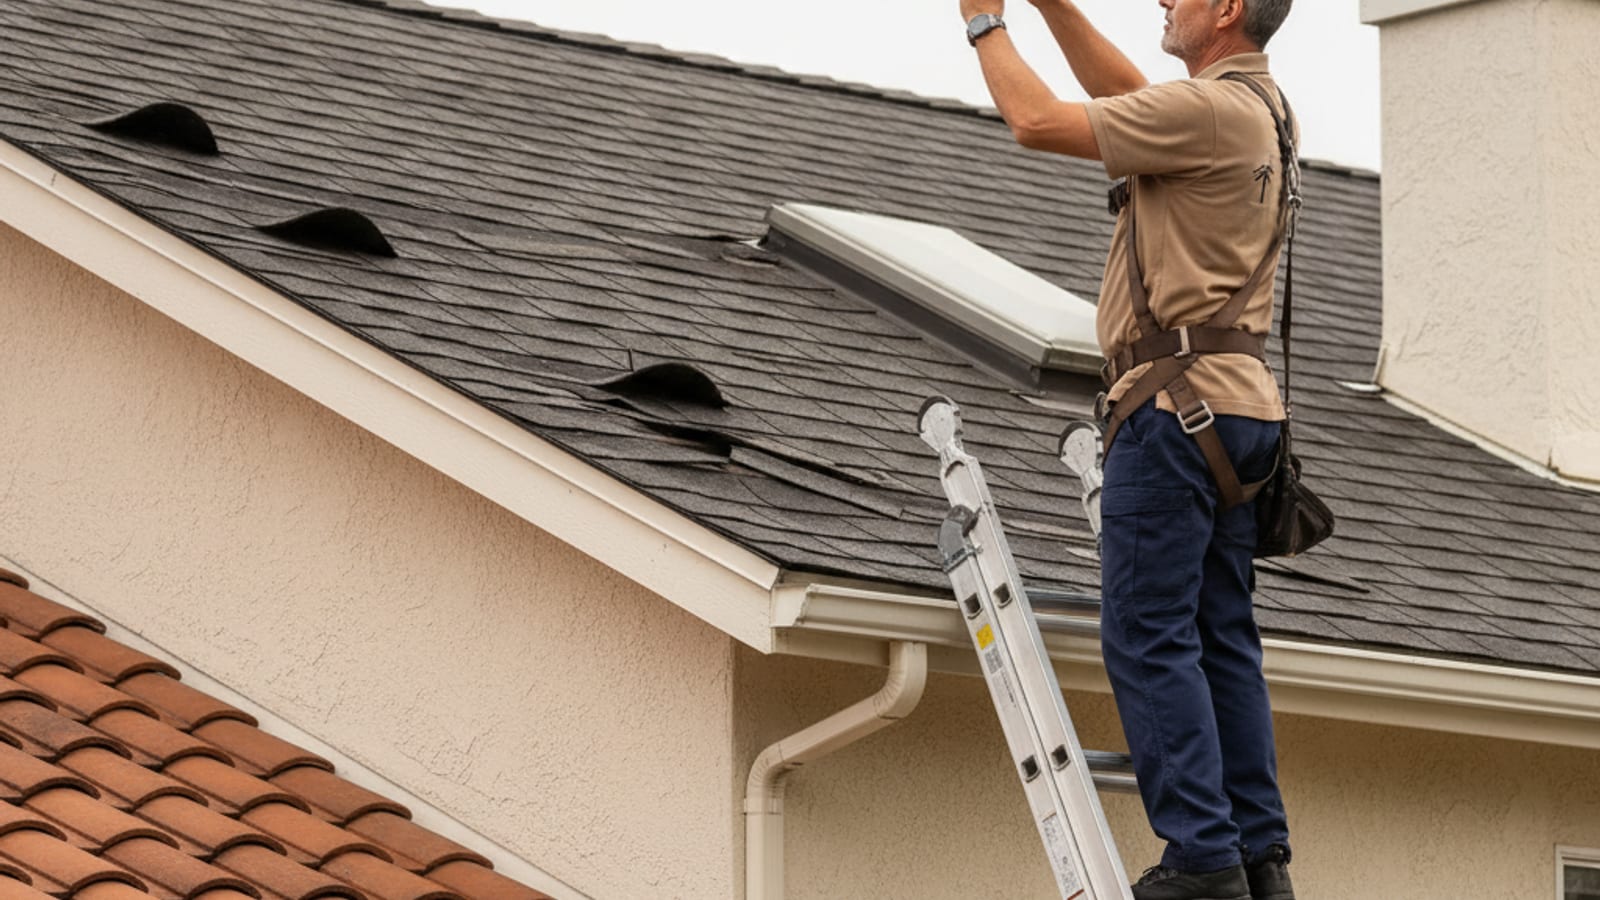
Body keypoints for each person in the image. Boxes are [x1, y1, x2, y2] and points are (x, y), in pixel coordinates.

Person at [957, 2, 1298, 899]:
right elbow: (1129, 95)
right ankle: (1258, 859)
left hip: (1172, 411)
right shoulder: (1257, 109)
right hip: (1239, 411)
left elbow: (1035, 122)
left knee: (1147, 637)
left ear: (1225, 9)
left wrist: (984, 23)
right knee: (1221, 638)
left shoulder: (1211, 111)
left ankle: (1201, 859)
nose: (1161, 1)